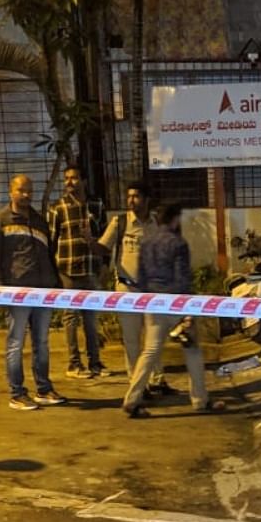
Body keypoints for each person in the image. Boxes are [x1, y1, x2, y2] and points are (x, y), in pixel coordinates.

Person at [122, 203, 225, 417]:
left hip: (153, 303)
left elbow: (140, 277)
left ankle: (132, 399)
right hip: (175, 304)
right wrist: (187, 312)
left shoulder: (147, 243)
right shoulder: (178, 244)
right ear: (175, 219)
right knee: (193, 350)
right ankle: (200, 400)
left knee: (150, 351)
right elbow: (182, 278)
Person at [0, 174, 67, 411]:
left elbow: (49, 254)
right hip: (17, 292)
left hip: (43, 290)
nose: (26, 195)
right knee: (16, 343)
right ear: (11, 191)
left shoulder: (39, 221)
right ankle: (17, 393)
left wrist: (55, 283)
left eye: (30, 190)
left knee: (42, 342)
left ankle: (43, 388)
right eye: (21, 190)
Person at [97, 181, 175, 397]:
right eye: (129, 196)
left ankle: (157, 381)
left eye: (136, 196)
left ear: (147, 199)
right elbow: (103, 247)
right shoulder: (119, 222)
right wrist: (88, 241)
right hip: (127, 290)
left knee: (154, 338)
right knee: (131, 340)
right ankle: (137, 386)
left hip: (153, 291)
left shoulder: (157, 223)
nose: (131, 201)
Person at [48, 165, 110, 379]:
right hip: (68, 269)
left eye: (74, 178)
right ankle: (74, 364)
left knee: (91, 319)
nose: (69, 182)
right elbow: (52, 240)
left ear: (83, 180)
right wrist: (52, 271)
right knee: (71, 317)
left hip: (91, 268)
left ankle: (95, 363)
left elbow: (105, 236)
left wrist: (105, 263)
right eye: (67, 178)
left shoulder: (96, 204)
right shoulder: (58, 207)